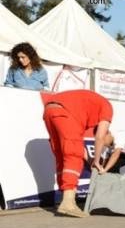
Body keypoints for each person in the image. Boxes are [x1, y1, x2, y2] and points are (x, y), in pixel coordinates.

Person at [40, 90, 113, 218]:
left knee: (62, 155)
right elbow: (100, 137)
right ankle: (68, 202)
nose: (108, 145)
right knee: (73, 154)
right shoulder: (107, 107)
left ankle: (66, 199)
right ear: (110, 133)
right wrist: (97, 160)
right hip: (65, 112)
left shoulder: (88, 107)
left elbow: (82, 149)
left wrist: (90, 161)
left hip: (49, 110)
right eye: (110, 144)